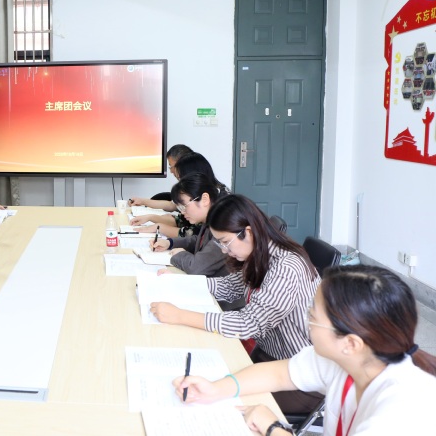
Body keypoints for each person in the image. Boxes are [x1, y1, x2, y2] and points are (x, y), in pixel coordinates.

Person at [174, 265, 436, 435]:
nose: (306, 320)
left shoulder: (402, 411)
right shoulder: (348, 359)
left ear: (351, 343)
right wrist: (216, 389)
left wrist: (274, 428)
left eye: (313, 316)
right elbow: (279, 374)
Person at [150, 194, 320, 413]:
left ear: (247, 232)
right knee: (200, 382)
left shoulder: (286, 267)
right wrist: (180, 283)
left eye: (225, 242)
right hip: (268, 359)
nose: (224, 251)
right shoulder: (260, 254)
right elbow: (229, 286)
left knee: (211, 405)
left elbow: (248, 323)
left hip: (299, 377)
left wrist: (180, 316)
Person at [131, 151, 228, 238]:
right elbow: (180, 221)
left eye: (181, 178)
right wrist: (150, 217)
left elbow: (192, 235)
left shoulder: (220, 208)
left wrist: (159, 227)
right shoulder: (202, 199)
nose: (181, 183)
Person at [150, 173, 227, 277]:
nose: (182, 212)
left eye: (184, 206)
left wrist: (180, 255)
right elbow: (200, 241)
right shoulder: (211, 217)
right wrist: (169, 243)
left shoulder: (223, 225)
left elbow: (196, 268)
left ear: (205, 199)